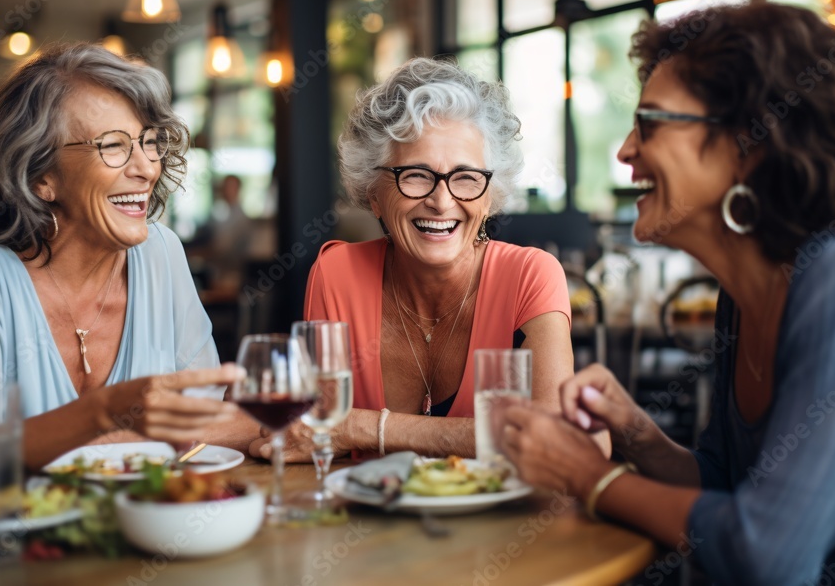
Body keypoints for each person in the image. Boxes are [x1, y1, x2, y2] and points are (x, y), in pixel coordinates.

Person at [500, 2, 835, 584]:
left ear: (749, 144)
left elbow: (771, 553)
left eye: (651, 124)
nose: (626, 151)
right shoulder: (742, 294)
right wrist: (635, 431)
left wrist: (592, 478)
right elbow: (726, 488)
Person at [251, 57, 608, 462]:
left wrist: (363, 428)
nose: (441, 201)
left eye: (467, 177)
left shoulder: (531, 276)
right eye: (416, 174)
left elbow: (566, 441)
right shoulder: (337, 274)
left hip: (497, 524)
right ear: (373, 193)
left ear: (489, 198)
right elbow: (308, 438)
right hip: (367, 519)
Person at [0, 43, 255, 470]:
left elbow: (201, 423)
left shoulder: (161, 252)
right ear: (41, 175)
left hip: (152, 526)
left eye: (149, 142)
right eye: (114, 146)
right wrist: (106, 410)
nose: (148, 168)